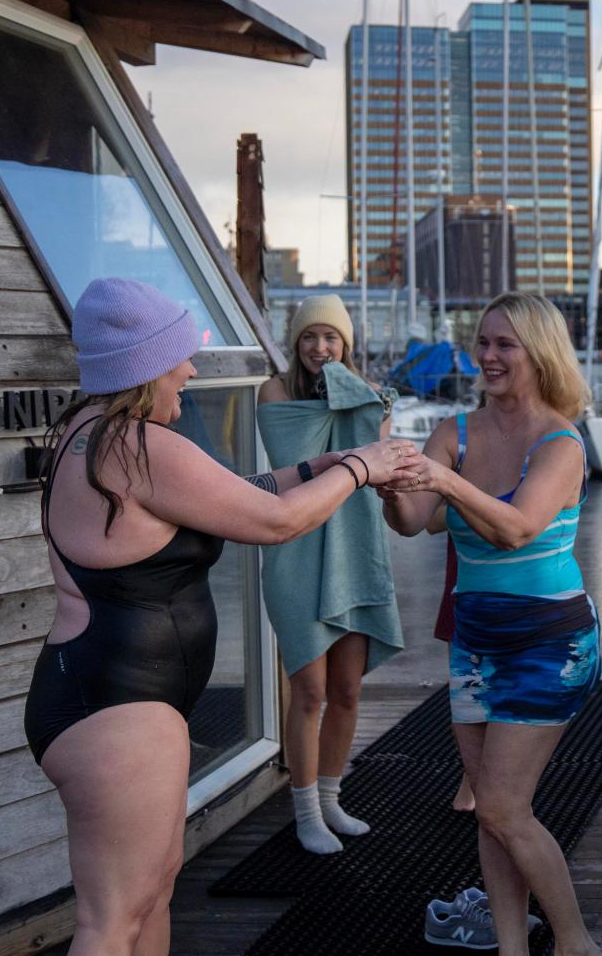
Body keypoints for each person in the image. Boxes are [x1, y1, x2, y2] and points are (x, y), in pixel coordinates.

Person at [26, 278, 421, 956]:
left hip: (119, 698)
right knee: (112, 916)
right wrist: (361, 464)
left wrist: (322, 462)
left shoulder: (100, 436)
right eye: (179, 357)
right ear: (142, 366)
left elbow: (241, 493)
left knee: (152, 890)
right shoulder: (134, 446)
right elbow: (273, 521)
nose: (189, 370)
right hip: (113, 705)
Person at [381, 292, 602, 956]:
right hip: (476, 645)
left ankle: (574, 943)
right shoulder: (456, 432)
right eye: (482, 342)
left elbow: (514, 528)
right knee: (489, 810)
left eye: (505, 344)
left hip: (550, 643)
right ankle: (509, 946)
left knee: (504, 806)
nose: (487, 355)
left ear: (539, 352)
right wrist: (390, 481)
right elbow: (414, 523)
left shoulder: (560, 440)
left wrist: (443, 484)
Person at [256, 295, 403, 854]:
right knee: (310, 691)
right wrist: (360, 398)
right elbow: (301, 466)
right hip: (297, 547)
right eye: (310, 338)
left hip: (355, 545)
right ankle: (305, 813)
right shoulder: (275, 391)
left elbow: (377, 463)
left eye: (332, 339)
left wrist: (361, 396)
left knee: (346, 690)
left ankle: (333, 800)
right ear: (295, 343)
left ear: (348, 344)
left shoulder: (370, 397)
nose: (321, 349)